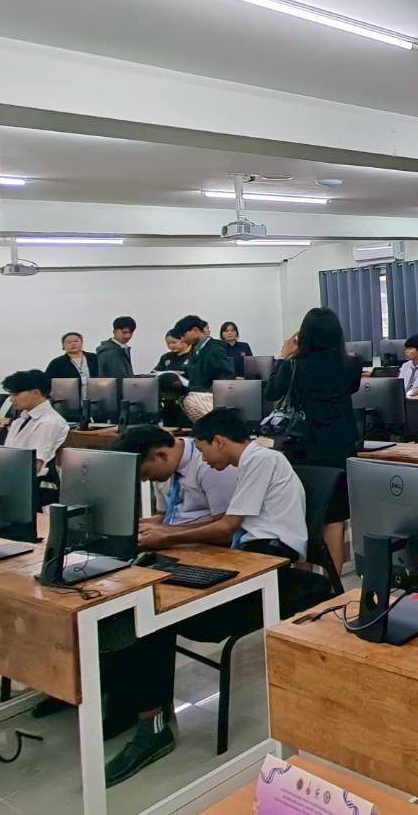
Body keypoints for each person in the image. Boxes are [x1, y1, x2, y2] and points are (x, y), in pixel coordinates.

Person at [104, 409, 306, 785]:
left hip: (268, 559)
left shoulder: (261, 460)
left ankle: (153, 726)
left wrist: (167, 538)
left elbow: (228, 526)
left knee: (157, 611)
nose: (203, 459)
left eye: (203, 450)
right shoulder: (249, 463)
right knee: (145, 597)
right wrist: (164, 534)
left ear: (218, 441)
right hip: (246, 554)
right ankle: (134, 709)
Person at [266, 307, 361, 571]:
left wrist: (283, 356)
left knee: (302, 514)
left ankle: (305, 578)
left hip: (302, 444)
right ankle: (334, 582)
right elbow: (351, 388)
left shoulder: (293, 365)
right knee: (334, 518)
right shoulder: (351, 364)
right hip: (339, 445)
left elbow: (271, 392)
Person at [129, 424, 238, 529]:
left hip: (205, 540)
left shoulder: (210, 462)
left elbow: (225, 527)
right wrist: (142, 526)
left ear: (161, 455)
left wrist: (166, 532)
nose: (144, 480)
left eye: (145, 473)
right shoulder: (163, 471)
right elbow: (165, 515)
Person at [0, 369, 69, 474]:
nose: (11, 399)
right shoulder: (19, 421)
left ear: (36, 393)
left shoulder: (50, 422)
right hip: (10, 474)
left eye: (15, 394)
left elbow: (35, 465)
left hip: (30, 480)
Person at [174, 315, 235, 393]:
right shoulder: (194, 349)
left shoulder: (215, 349)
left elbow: (225, 377)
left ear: (195, 330)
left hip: (209, 397)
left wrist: (208, 394)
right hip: (195, 396)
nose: (182, 339)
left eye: (183, 335)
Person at [45, 332, 98, 400]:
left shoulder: (94, 358)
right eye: (68, 342)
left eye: (76, 341)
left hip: (95, 398)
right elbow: (47, 382)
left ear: (82, 343)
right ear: (63, 346)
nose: (73, 344)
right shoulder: (57, 363)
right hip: (69, 400)